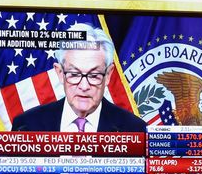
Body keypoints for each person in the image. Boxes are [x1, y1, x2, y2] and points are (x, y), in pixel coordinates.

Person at [11, 23, 147, 134]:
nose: (84, 86)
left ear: (108, 75)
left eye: (94, 75)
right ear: (60, 73)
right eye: (74, 74)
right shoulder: (26, 126)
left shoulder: (134, 130)